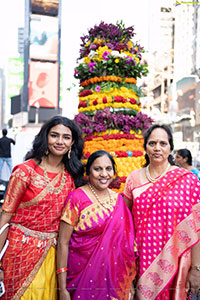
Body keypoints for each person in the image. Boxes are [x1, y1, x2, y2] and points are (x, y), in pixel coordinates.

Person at [0, 115, 84, 300]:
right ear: (45, 137)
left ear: (72, 143)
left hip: (52, 257)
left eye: (66, 137)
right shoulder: (25, 171)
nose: (60, 141)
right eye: (54, 135)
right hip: (17, 254)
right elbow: (4, 219)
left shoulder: (71, 177)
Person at [123, 124, 200, 300]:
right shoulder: (133, 179)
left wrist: (196, 268)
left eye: (163, 143)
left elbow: (197, 227)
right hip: (141, 262)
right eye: (152, 143)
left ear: (170, 148)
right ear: (145, 148)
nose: (157, 148)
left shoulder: (188, 181)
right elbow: (124, 222)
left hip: (178, 261)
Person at [57, 150, 136, 300]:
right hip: (80, 277)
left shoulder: (119, 200)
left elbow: (126, 246)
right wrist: (62, 288)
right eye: (97, 169)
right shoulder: (77, 198)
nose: (104, 174)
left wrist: (128, 282)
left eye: (108, 169)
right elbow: (63, 243)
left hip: (115, 280)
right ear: (88, 172)